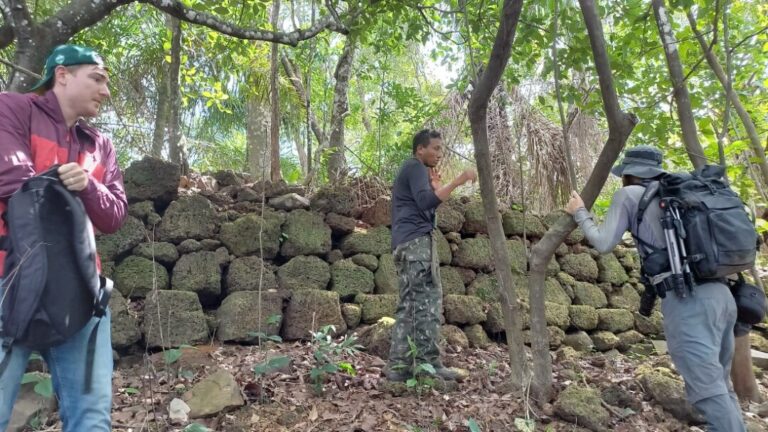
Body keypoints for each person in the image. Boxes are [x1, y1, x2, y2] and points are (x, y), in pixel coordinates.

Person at [565, 145, 745, 431]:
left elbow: (603, 243)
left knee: (709, 393)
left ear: (629, 173)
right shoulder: (677, 194)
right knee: (720, 385)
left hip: (687, 299)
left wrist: (580, 213)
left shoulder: (630, 195)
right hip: (722, 295)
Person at [0, 44, 127, 431]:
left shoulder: (99, 144)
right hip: (9, 278)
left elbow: (114, 215)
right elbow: (9, 179)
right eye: (97, 78)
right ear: (62, 74)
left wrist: (86, 184)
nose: (105, 91)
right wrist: (61, 177)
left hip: (80, 290)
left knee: (91, 419)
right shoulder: (13, 108)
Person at [385, 129, 477, 382]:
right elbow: (426, 202)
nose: (439, 154)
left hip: (415, 242)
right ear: (420, 149)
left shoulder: (418, 171)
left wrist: (437, 187)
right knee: (419, 304)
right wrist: (457, 181)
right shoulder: (414, 166)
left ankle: (418, 365)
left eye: (441, 149)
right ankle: (412, 366)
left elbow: (426, 202)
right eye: (435, 148)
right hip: (414, 244)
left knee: (422, 304)